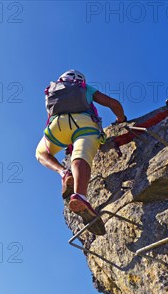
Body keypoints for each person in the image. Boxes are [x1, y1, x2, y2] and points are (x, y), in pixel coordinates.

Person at [35, 70, 126, 235]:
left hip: (58, 126)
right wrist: (122, 119)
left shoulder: (52, 91)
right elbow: (112, 103)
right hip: (84, 124)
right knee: (81, 155)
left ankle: (63, 173)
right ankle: (80, 196)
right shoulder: (84, 88)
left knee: (41, 153)